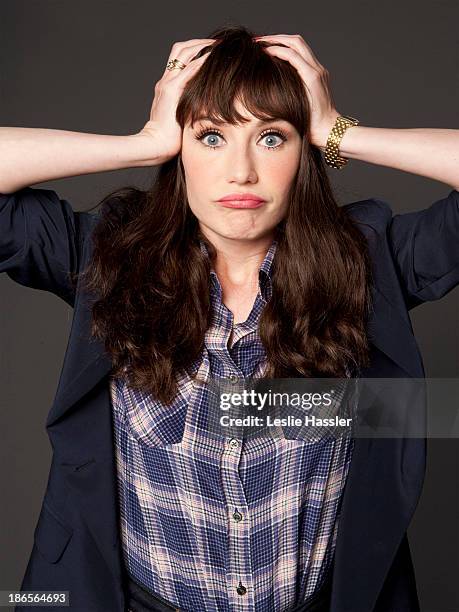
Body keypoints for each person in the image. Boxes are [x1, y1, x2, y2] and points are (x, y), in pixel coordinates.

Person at [1, 23, 458, 612]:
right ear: (181, 149)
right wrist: (143, 142)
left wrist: (337, 128)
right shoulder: (107, 255)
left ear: (305, 153)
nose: (241, 171)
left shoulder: (368, 263)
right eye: (212, 137)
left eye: (272, 138)